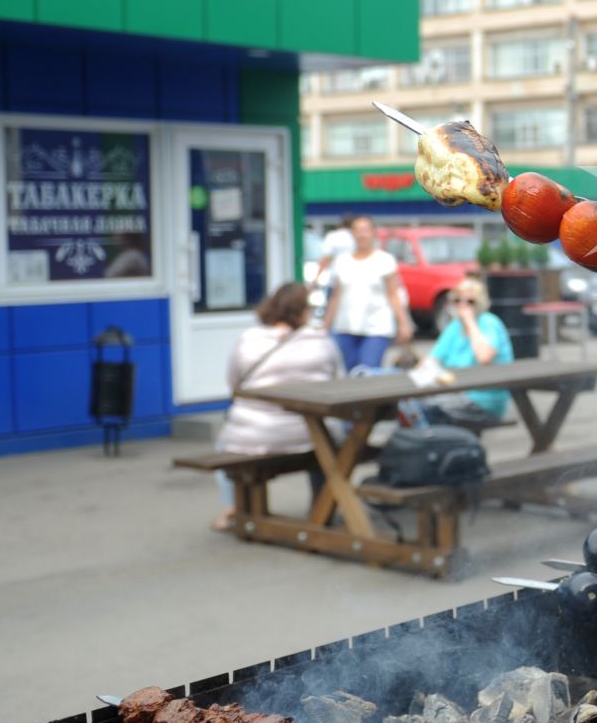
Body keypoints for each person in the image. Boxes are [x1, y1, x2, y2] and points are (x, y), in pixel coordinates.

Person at [211, 283, 343, 531]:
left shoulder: (248, 340)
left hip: (254, 435)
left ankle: (231, 508)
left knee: (224, 443)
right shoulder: (322, 343)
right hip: (311, 434)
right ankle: (322, 507)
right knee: (329, 443)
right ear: (304, 311)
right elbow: (338, 383)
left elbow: (234, 385)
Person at [420, 273, 513, 428]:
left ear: (480, 302)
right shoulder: (455, 326)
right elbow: (433, 357)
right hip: (456, 391)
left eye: (470, 301)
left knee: (424, 408)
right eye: (457, 300)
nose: (463, 305)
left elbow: (484, 357)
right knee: (410, 405)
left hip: (483, 399)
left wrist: (470, 322)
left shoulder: (489, 322)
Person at [325, 212, 411, 370]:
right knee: (351, 372)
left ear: (373, 233)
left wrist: (403, 323)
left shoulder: (385, 260)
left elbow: (393, 294)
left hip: (377, 326)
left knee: (368, 370)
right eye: (357, 230)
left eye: (365, 230)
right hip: (346, 326)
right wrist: (326, 325)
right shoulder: (342, 261)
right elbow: (335, 296)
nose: (361, 235)